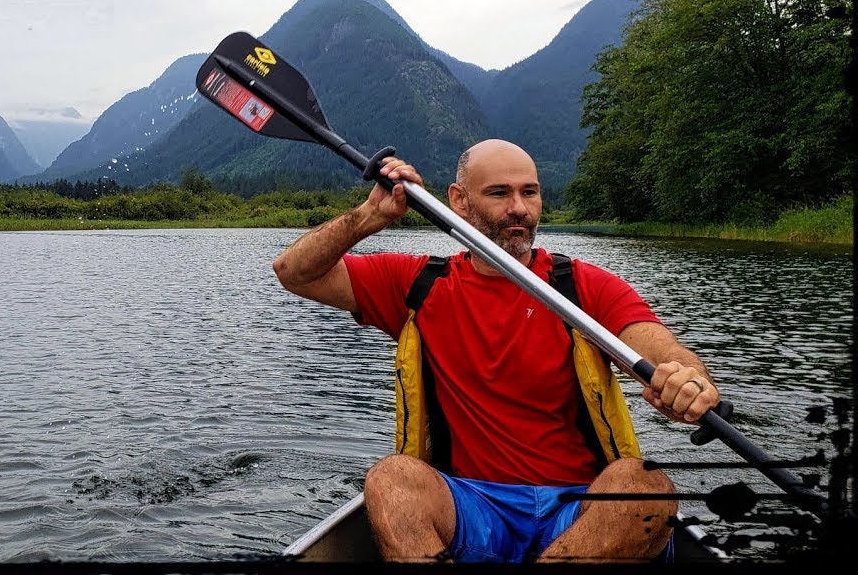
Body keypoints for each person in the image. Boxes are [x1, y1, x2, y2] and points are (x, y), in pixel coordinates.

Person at [271, 138, 720, 564]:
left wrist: (688, 380)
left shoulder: (581, 287)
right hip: (473, 507)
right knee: (392, 480)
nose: (519, 208)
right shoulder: (417, 284)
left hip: (581, 508)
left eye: (530, 192)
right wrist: (371, 215)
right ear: (459, 200)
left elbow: (661, 349)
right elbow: (295, 272)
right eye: (499, 193)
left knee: (644, 485)